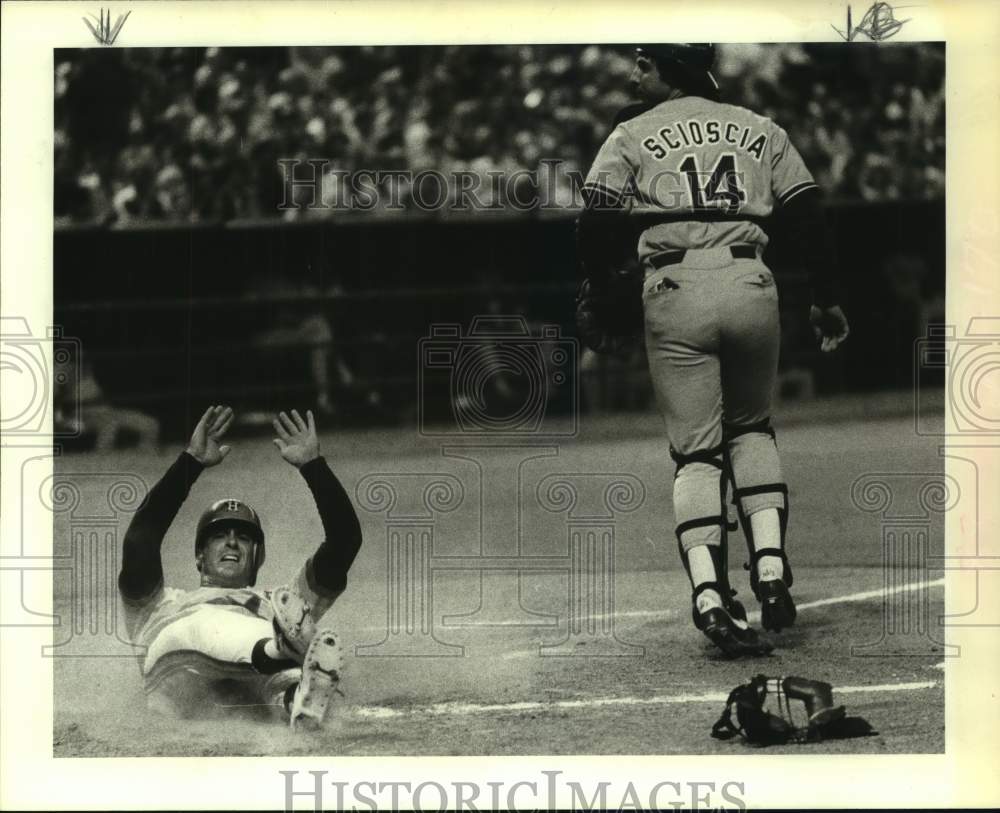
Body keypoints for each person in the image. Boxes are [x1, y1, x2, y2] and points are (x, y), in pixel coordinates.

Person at [576, 44, 849, 657]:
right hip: (751, 280)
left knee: (697, 454)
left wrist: (602, 285)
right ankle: (771, 570)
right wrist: (826, 297)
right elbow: (809, 215)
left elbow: (594, 222)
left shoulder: (631, 131)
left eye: (645, 63)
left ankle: (708, 596)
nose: (634, 74)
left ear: (674, 70)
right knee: (751, 430)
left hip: (673, 285)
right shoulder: (760, 126)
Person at [118, 405, 363, 728]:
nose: (232, 542)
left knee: (284, 659)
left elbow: (345, 541)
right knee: (231, 630)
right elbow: (139, 541)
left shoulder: (281, 604)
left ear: (258, 557)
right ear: (199, 556)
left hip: (254, 678)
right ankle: (280, 655)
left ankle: (296, 701)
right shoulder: (164, 604)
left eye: (244, 537)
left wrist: (314, 467)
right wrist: (189, 463)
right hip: (175, 665)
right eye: (219, 535)